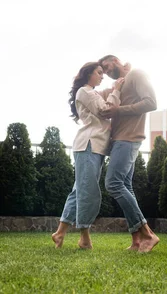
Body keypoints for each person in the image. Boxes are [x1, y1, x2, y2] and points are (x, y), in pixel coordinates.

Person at [52, 62, 124, 249]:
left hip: (94, 147)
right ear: (88, 74)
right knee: (88, 192)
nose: (102, 76)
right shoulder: (85, 91)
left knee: (79, 191)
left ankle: (59, 234)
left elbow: (103, 100)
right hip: (88, 145)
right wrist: (116, 90)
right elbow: (104, 110)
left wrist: (118, 84)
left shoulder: (92, 92)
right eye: (99, 72)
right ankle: (84, 237)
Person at [98, 55, 159, 253]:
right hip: (119, 140)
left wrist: (119, 111)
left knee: (113, 183)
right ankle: (136, 241)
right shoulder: (119, 85)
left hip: (129, 139)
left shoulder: (136, 74)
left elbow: (151, 102)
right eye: (102, 71)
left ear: (114, 60)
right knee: (125, 187)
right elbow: (96, 96)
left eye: (106, 67)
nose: (105, 72)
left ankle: (148, 235)